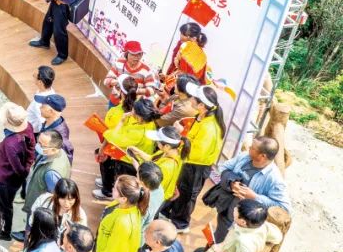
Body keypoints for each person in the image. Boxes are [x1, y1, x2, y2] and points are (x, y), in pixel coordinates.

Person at [159, 84, 225, 231]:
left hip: (196, 166)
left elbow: (196, 153)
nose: (191, 99)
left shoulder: (209, 128)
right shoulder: (202, 116)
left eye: (194, 98)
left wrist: (181, 134)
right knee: (181, 190)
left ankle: (180, 223)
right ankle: (170, 214)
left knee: (187, 195)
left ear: (201, 105)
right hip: (189, 162)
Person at [210, 136, 290, 242]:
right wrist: (232, 182)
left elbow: (284, 208)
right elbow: (224, 167)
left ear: (262, 156)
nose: (249, 147)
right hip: (226, 208)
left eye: (252, 147)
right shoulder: (245, 157)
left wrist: (254, 197)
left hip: (243, 224)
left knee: (229, 243)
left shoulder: (274, 179)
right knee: (219, 234)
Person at [95, 98, 160, 200]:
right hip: (135, 161)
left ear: (140, 116)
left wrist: (121, 121)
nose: (131, 110)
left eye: (134, 109)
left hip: (128, 163)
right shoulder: (149, 123)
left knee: (124, 189)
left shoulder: (137, 133)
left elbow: (112, 138)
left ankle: (114, 197)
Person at [17, 131, 73, 242]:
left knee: (32, 231)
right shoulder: (58, 153)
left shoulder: (51, 173)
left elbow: (54, 197)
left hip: (39, 208)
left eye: (42, 145)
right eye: (39, 142)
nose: (38, 146)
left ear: (54, 149)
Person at [0, 102, 35, 241]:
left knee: (3, 206)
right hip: (15, 178)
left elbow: (16, 166)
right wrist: (27, 167)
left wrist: (23, 172)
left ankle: (5, 231)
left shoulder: (10, 143)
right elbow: (31, 148)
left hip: (6, 179)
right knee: (6, 203)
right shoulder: (28, 127)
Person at [102, 40, 160, 104]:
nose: (137, 57)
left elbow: (152, 90)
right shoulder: (119, 63)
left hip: (133, 106)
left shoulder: (146, 70)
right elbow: (106, 81)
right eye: (133, 54)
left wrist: (135, 91)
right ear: (126, 54)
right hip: (115, 101)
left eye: (140, 54)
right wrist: (119, 83)